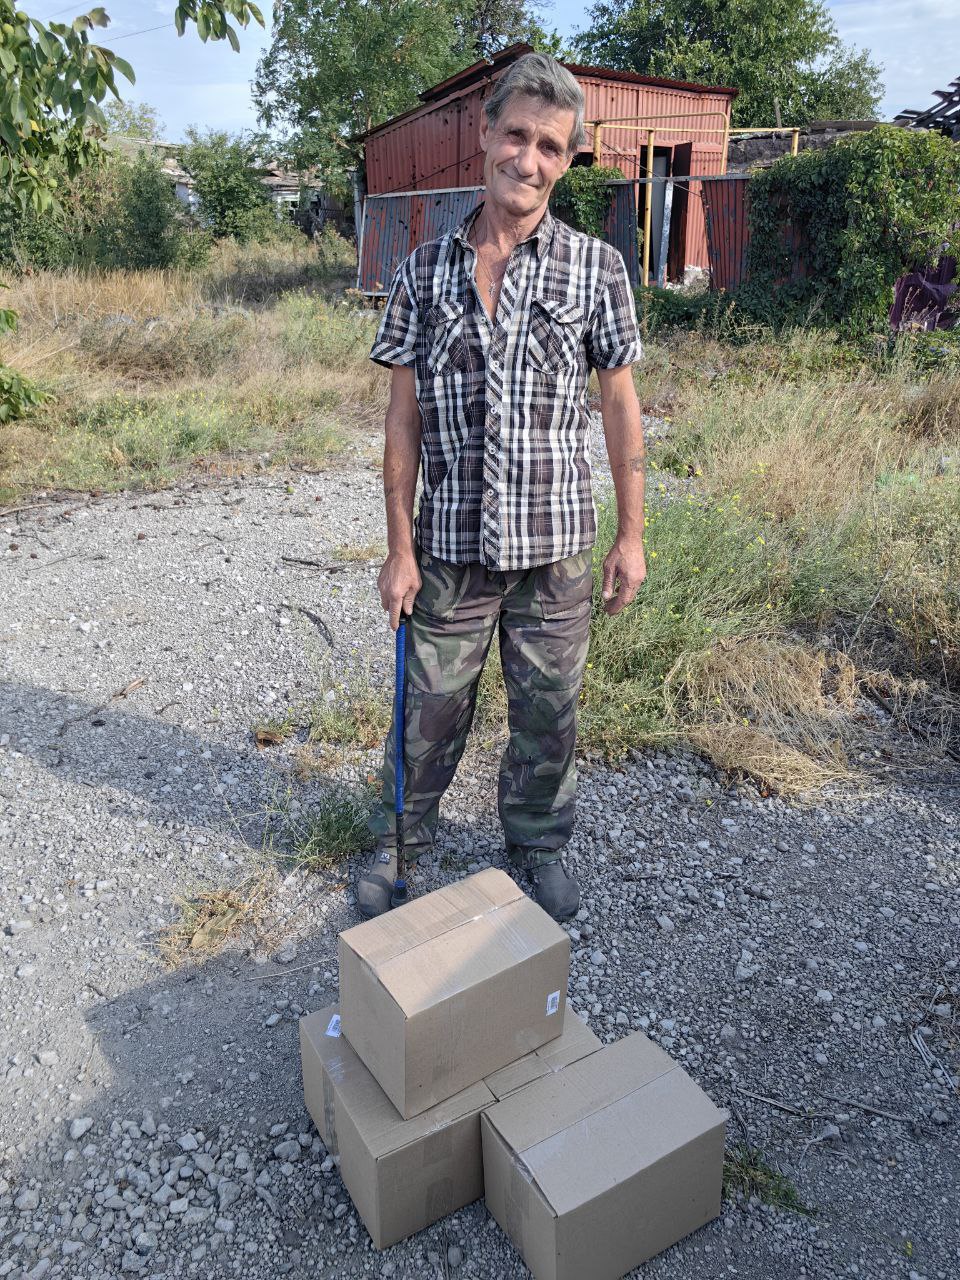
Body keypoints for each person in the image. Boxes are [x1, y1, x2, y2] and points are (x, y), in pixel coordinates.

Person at [358, 52, 646, 921]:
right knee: (429, 708)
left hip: (554, 551)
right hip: (449, 544)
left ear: (569, 159)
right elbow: (401, 420)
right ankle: (402, 839)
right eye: (516, 135)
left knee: (548, 713)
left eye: (550, 146)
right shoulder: (422, 270)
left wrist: (631, 535)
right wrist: (399, 549)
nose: (528, 159)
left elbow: (620, 406)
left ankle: (537, 842)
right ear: (485, 135)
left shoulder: (597, 269)